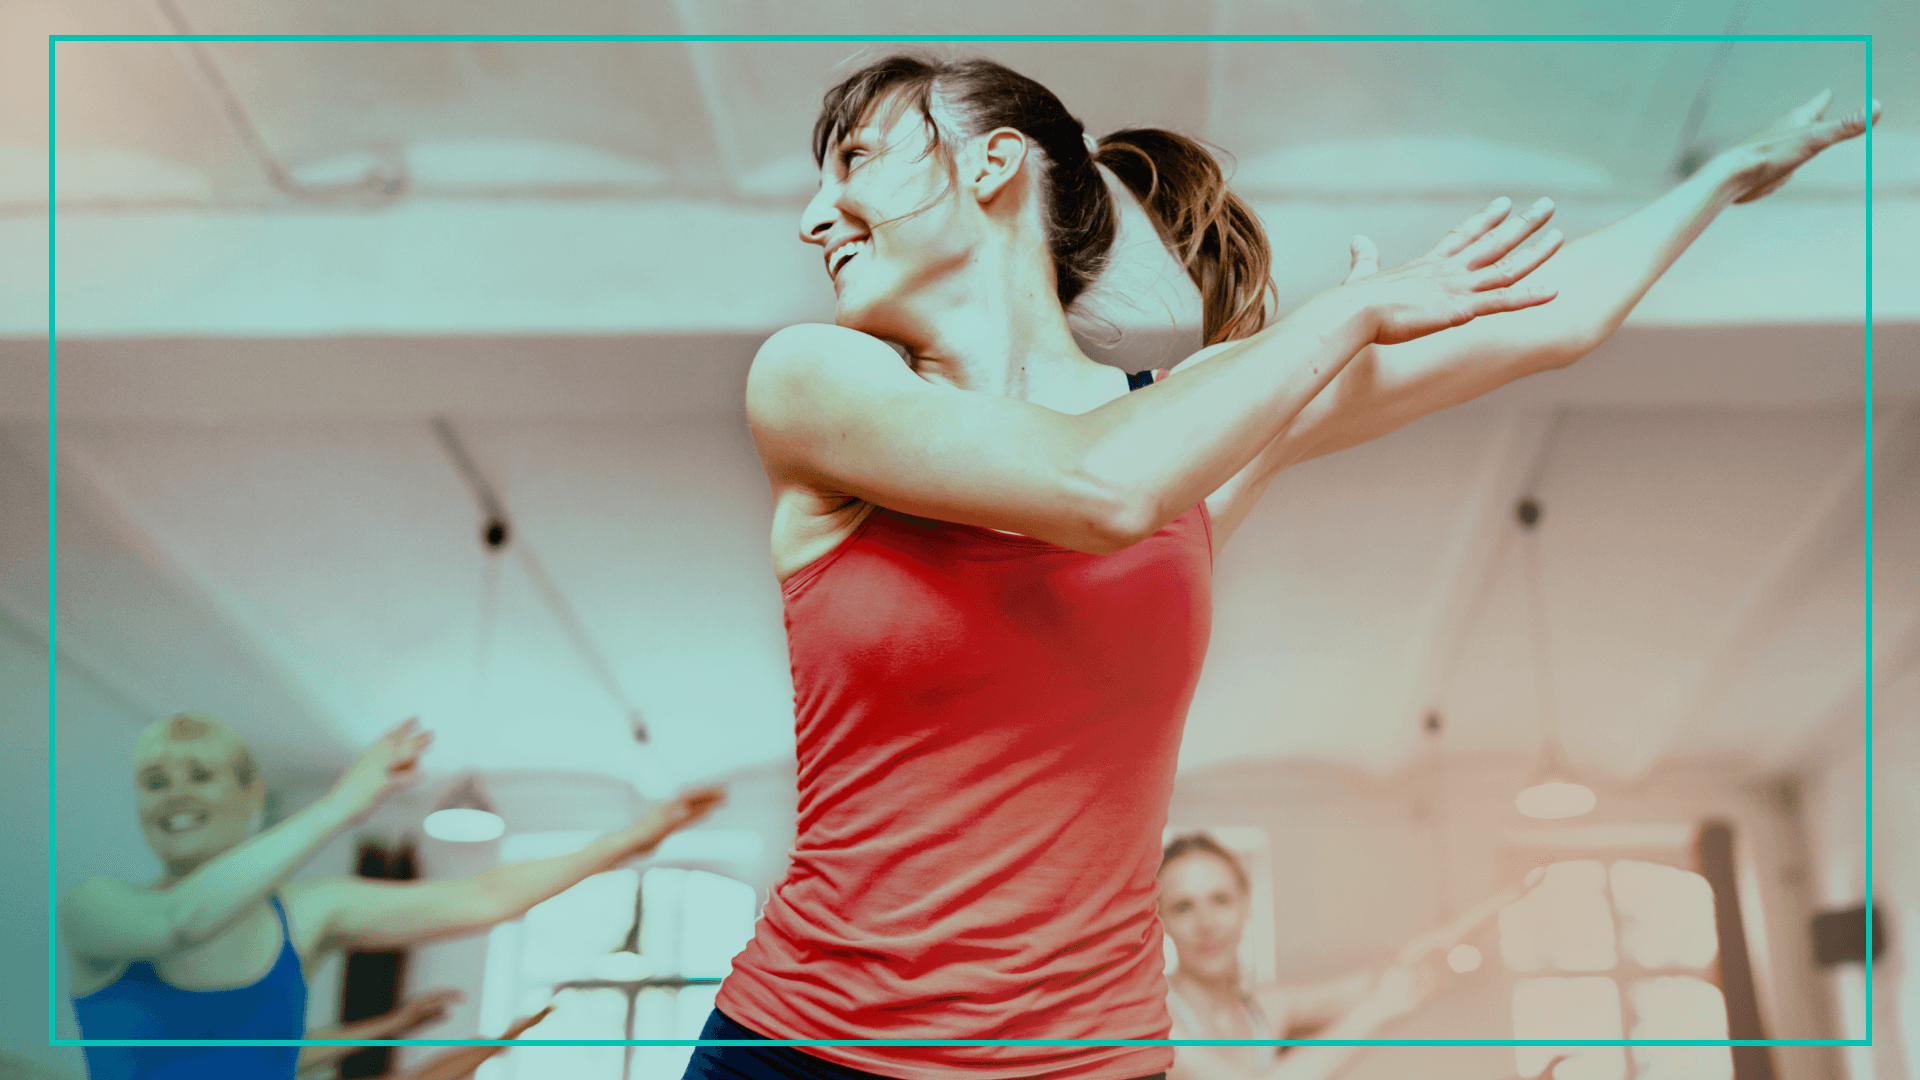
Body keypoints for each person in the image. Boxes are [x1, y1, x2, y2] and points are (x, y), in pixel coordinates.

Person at [691, 53, 1878, 1080]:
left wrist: (1722, 179)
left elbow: (1550, 321)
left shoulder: (1195, 428)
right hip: (810, 1048)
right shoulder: (813, 380)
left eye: (852, 161)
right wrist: (1343, 317)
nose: (815, 212)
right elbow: (1096, 491)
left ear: (995, 163)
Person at [61, 712, 722, 1080]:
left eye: (200, 774)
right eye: (154, 780)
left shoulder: (311, 913)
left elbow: (483, 898)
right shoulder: (98, 908)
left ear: (251, 797)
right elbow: (182, 921)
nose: (175, 793)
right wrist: (343, 803)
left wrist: (628, 841)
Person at [1157, 833, 1520, 1080]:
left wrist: (1497, 904)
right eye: (1183, 907)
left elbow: (1386, 974)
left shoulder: (1264, 1009)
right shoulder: (1157, 1019)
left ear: (1245, 906)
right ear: (1162, 920)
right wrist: (1373, 1014)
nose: (1206, 923)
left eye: (1220, 900)